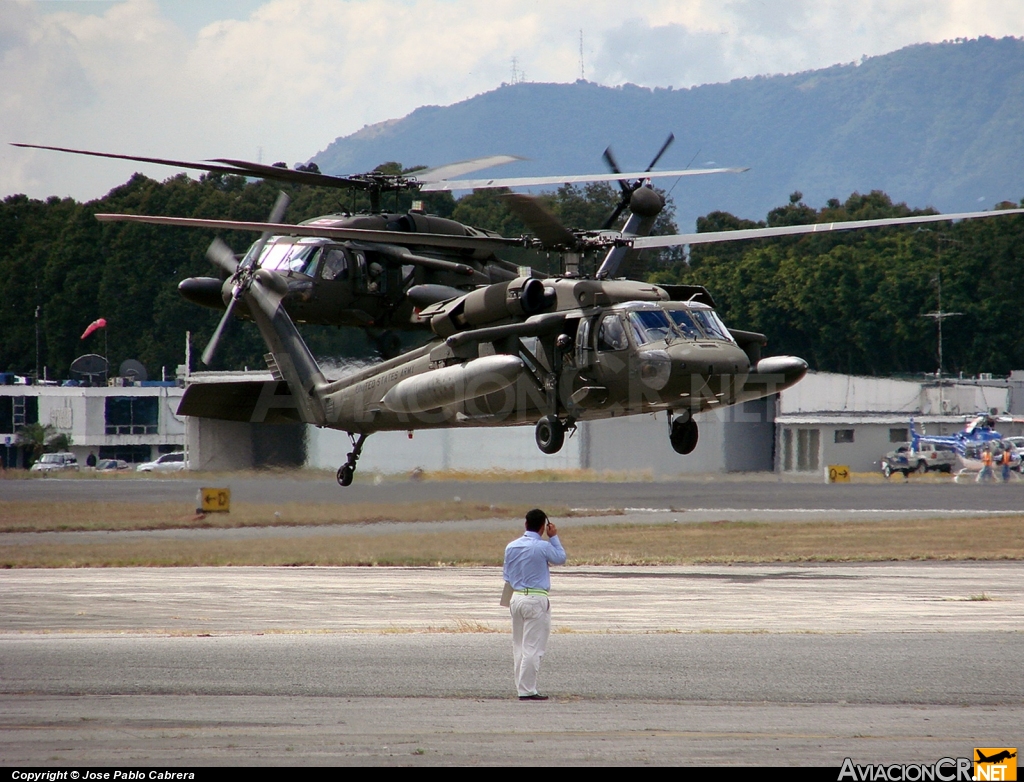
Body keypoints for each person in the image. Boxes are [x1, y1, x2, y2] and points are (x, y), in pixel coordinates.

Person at [502, 508, 566, 701]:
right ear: (543, 527)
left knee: (519, 645)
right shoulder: (543, 546)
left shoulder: (511, 546)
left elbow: (507, 575)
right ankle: (527, 689)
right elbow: (560, 558)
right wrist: (554, 537)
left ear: (525, 524)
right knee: (533, 647)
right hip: (536, 599)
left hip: (516, 597)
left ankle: (522, 686)